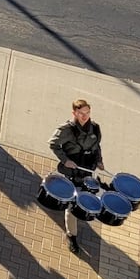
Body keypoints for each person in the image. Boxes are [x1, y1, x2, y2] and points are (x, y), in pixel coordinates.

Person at [50, 98, 104, 254]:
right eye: (81, 113)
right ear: (74, 113)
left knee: (88, 198)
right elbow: (53, 144)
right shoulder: (66, 130)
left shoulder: (95, 128)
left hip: (87, 171)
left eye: (87, 112)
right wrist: (65, 160)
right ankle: (71, 235)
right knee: (72, 206)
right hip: (71, 173)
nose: (85, 116)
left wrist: (99, 161)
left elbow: (97, 147)